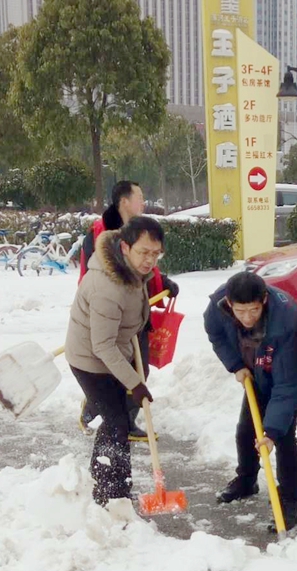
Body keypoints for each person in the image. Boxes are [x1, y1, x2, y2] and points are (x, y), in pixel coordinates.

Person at [65, 217, 165, 506]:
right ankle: (111, 493)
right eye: (144, 252)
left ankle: (108, 482)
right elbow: (103, 346)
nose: (150, 260)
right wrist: (135, 383)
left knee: (116, 419)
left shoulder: (129, 269)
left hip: (113, 350)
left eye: (156, 253)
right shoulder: (107, 286)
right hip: (90, 360)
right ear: (125, 247)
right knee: (117, 421)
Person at [204, 271, 297, 531]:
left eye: (253, 310)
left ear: (263, 299)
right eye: (241, 311)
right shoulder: (217, 306)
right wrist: (236, 365)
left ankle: (289, 501)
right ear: (229, 303)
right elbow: (216, 335)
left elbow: (287, 386)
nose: (248, 317)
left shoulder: (287, 321)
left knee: (284, 436)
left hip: (288, 374)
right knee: (246, 431)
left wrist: (272, 431)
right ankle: (246, 481)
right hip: (255, 370)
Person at [78, 180, 179, 440]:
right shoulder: (101, 233)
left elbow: (145, 270)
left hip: (136, 313)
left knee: (139, 370)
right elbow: (100, 277)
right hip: (112, 314)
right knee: (124, 374)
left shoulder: (141, 232)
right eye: (140, 197)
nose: (143, 203)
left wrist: (163, 283)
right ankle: (103, 412)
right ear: (124, 201)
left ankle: (119, 419)